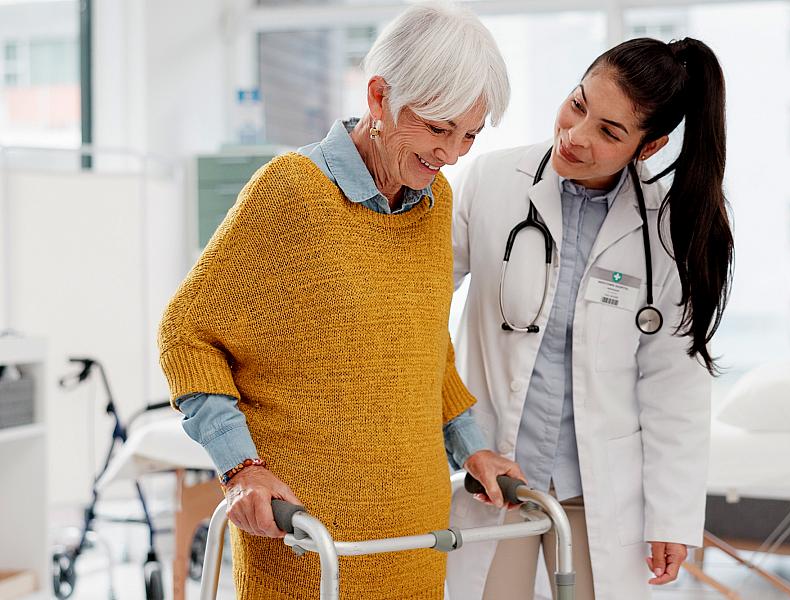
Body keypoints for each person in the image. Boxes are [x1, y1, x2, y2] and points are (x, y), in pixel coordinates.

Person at [157, 3, 522, 598]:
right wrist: (241, 467)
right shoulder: (293, 194)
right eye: (437, 129)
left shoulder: (434, 202)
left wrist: (473, 447)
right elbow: (187, 333)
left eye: (469, 135)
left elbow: (425, 348)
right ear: (380, 98)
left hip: (415, 539)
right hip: (309, 545)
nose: (451, 153)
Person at [445, 37, 734, 600]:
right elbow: (422, 305)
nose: (575, 137)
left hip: (598, 485)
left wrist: (672, 514)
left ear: (648, 148)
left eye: (609, 131)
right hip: (494, 477)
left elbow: (674, 384)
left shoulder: (668, 231)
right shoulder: (492, 179)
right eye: (578, 105)